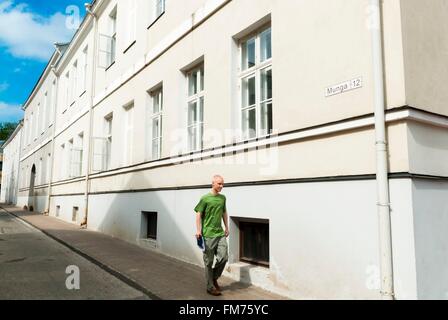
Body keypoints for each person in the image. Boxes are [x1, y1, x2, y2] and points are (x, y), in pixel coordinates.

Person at [194, 174, 229, 296]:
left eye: (222, 184)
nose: (221, 186)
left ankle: (213, 277)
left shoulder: (222, 198)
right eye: (219, 183)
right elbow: (198, 214)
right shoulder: (205, 198)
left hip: (220, 233)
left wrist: (227, 227)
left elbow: (224, 212)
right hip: (208, 235)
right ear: (213, 183)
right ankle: (210, 287)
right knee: (208, 262)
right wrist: (198, 231)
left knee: (224, 257)